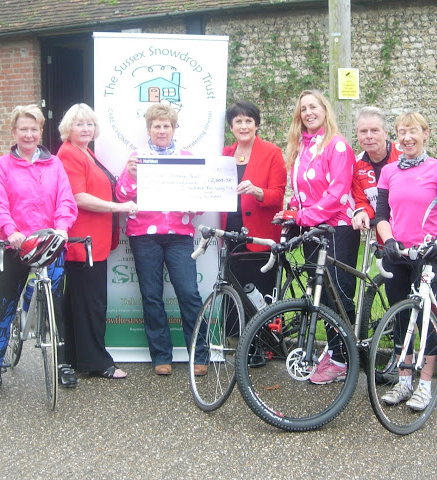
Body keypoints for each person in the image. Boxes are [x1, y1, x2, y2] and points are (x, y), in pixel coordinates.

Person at [0, 104, 78, 394]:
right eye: (23, 129)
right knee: (6, 307)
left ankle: (61, 363)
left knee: (57, 305)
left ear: (40, 132)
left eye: (34, 128)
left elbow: (66, 200)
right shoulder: (2, 166)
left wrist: (62, 227)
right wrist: (10, 231)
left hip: (50, 245)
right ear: (13, 132)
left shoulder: (54, 164)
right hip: (16, 246)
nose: (29, 134)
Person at [350, 106, 437, 309]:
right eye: (363, 131)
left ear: (386, 134)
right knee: (402, 307)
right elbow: (365, 203)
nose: (369, 136)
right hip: (393, 243)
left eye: (374, 130)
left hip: (429, 242)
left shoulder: (417, 160)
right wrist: (362, 213)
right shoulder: (359, 166)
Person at [374, 110, 437, 411]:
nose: (407, 138)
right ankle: (404, 380)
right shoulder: (389, 172)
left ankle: (424, 385)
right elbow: (381, 215)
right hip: (398, 254)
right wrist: (390, 240)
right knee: (400, 317)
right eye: (401, 133)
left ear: (426, 134)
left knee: (426, 319)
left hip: (427, 254)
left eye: (413, 132)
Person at [273, 89, 360, 385]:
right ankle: (334, 351)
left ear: (325, 110)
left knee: (339, 292)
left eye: (314, 107)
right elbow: (300, 194)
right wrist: (291, 212)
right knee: (320, 292)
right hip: (312, 227)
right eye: (303, 109)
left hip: (338, 227)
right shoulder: (301, 147)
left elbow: (336, 193)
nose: (309, 112)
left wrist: (303, 217)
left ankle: (342, 359)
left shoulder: (337, 146)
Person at [115, 104, 208, 376]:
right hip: (144, 236)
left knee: (189, 294)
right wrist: (132, 176)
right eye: (156, 125)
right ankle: (161, 356)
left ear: (174, 128)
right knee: (152, 296)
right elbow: (121, 196)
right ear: (149, 129)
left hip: (179, 235)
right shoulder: (136, 158)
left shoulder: (187, 157)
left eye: (166, 125)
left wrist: (195, 205)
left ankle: (199, 355)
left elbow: (200, 199)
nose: (162, 130)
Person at [57, 104, 138, 380]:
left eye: (89, 124)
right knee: (91, 304)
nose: (85, 129)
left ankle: (73, 358)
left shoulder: (86, 152)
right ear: (68, 127)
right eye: (79, 124)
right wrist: (119, 208)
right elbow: (78, 198)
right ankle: (97, 362)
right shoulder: (69, 154)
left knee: (78, 303)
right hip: (83, 243)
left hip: (95, 241)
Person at [220, 100, 286, 298]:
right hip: (232, 234)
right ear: (231, 127)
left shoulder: (271, 152)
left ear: (256, 125)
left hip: (261, 236)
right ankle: (235, 330)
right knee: (233, 296)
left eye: (249, 121)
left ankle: (265, 330)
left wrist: (258, 192)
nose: (244, 126)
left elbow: (277, 196)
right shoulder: (225, 154)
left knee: (261, 296)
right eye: (238, 121)